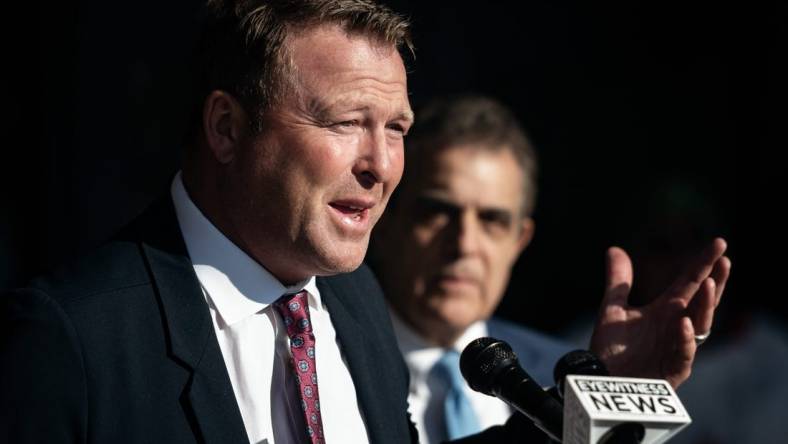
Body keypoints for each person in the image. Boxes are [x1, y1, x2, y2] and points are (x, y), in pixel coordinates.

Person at [1, 1, 729, 443]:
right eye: (349, 122)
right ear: (226, 127)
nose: (381, 165)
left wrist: (606, 395)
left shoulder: (350, 301)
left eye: (399, 128)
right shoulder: (68, 342)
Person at [370, 94, 731, 443]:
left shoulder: (562, 377)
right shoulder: (326, 369)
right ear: (385, 221)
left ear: (519, 241)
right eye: (437, 213)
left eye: (492, 220)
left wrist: (617, 400)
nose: (464, 244)